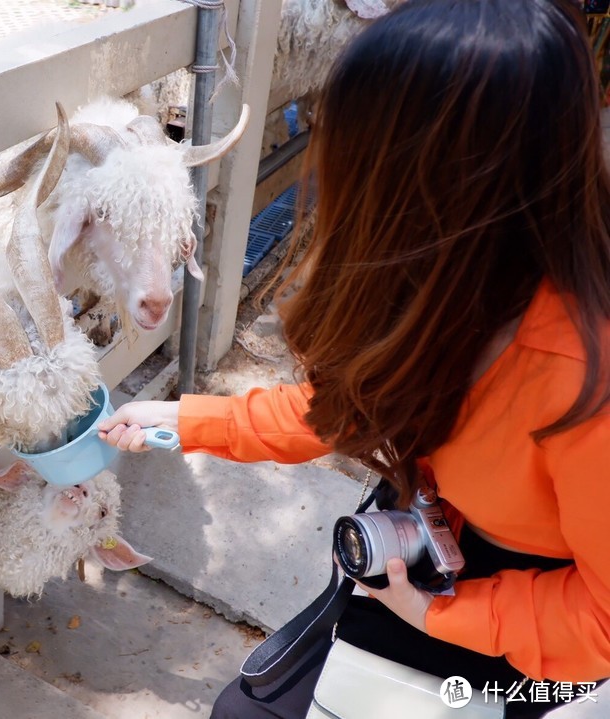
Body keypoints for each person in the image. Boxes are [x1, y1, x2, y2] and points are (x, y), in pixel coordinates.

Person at [98, 1, 610, 716]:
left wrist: (441, 614)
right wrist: (187, 420)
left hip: (534, 612)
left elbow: (602, 618)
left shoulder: (583, 385)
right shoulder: (447, 284)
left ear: (427, 183)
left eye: (355, 152)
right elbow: (352, 404)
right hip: (431, 537)